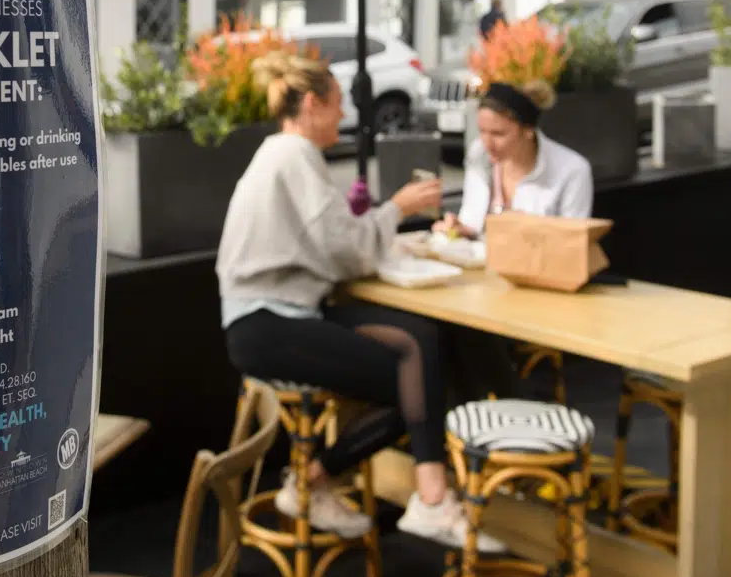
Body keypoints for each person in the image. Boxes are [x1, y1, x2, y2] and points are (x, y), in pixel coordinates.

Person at [217, 51, 505, 551]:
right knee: (417, 369)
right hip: (268, 326)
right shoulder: (293, 155)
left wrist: (383, 223)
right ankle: (429, 498)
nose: (345, 117)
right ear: (312, 104)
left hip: (273, 317)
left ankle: (311, 481)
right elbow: (345, 250)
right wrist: (398, 207)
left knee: (421, 345)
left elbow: (331, 239)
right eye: (338, 105)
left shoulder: (280, 154)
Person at [434, 80, 594, 238]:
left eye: (498, 134)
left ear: (528, 130)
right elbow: (472, 221)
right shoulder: (479, 155)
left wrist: (527, 231)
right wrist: (461, 230)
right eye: (482, 131)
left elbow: (573, 244)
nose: (487, 143)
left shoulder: (572, 170)